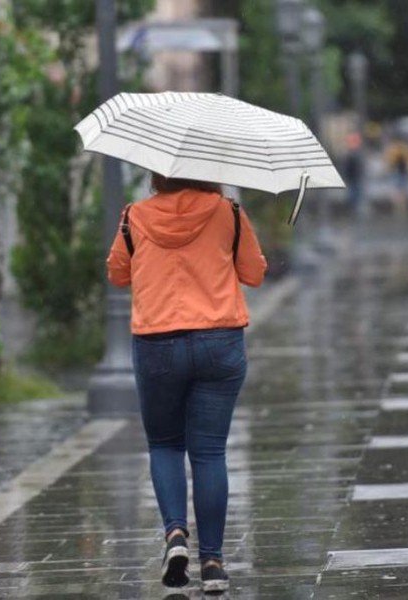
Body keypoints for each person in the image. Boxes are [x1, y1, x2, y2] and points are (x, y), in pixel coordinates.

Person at [106, 173, 267, 593]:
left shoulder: (135, 216)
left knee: (165, 444)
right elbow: (254, 272)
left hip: (157, 342)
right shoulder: (228, 213)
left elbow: (117, 274)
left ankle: (175, 534)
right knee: (209, 452)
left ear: (158, 173)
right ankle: (212, 563)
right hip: (219, 340)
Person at [385, 137, 408, 215]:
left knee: (399, 188)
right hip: (399, 172)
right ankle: (400, 204)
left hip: (400, 172)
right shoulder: (402, 150)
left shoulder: (396, 150)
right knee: (400, 189)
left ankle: (399, 204)